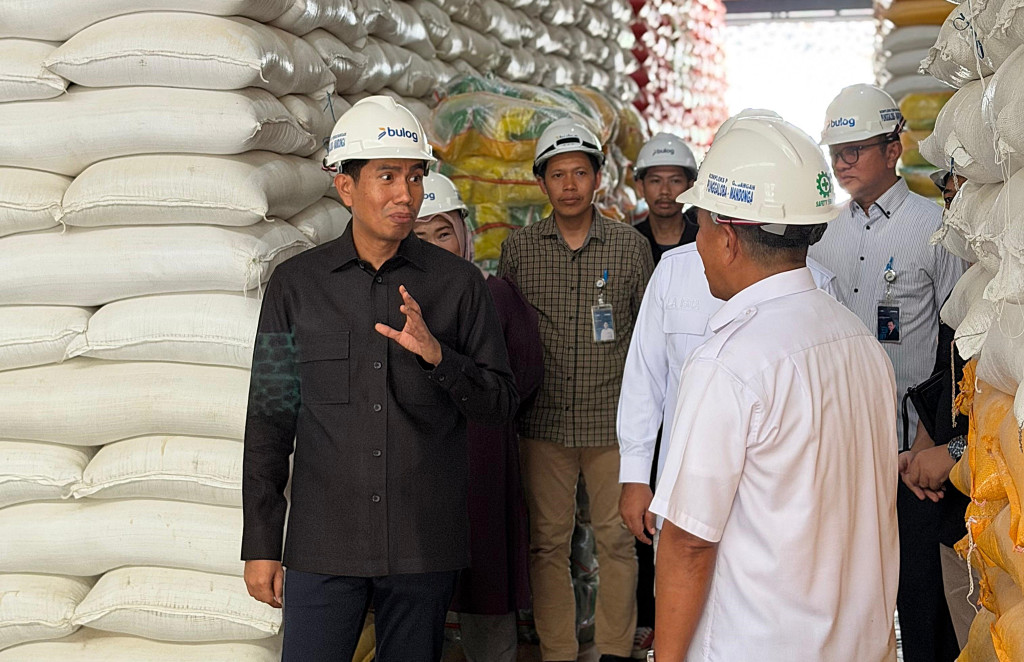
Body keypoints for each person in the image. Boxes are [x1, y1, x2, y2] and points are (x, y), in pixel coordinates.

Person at [241, 96, 518, 662]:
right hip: (324, 544)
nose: (405, 194)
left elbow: (501, 404)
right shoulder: (296, 287)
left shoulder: (458, 285)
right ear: (345, 187)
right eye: (386, 176)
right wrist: (262, 543)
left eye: (414, 176)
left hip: (424, 543)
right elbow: (270, 417)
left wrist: (441, 356)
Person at [649, 114, 899, 661]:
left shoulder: (728, 363)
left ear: (729, 235)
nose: (697, 242)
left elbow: (689, 543)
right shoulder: (859, 342)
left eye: (701, 226)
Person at [619, 112, 841, 658]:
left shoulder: (820, 292)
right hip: (683, 482)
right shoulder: (673, 271)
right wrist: (634, 473)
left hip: (775, 512)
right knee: (686, 598)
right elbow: (644, 375)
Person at [499, 117, 654, 662]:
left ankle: (613, 649)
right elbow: (511, 336)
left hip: (613, 423)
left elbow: (646, 341)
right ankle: (558, 652)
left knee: (617, 541)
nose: (569, 185)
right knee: (548, 545)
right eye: (558, 174)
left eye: (580, 173)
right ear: (542, 183)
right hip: (543, 424)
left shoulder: (630, 248)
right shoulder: (520, 251)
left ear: (599, 179)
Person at [413, 172, 542, 662]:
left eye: (443, 232)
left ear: (465, 235)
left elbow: (524, 375)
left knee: (486, 595)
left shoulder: (498, 297)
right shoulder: (399, 302)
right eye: (419, 236)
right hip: (421, 473)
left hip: (483, 467)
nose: (434, 247)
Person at [811, 83, 967, 450]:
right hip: (835, 440)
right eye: (835, 154)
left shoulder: (934, 228)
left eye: (853, 151)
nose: (840, 164)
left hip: (908, 444)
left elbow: (956, 340)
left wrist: (933, 437)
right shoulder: (821, 232)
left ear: (892, 151)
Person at [894, 168, 974, 656]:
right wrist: (926, 442)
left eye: (968, 193)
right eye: (951, 195)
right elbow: (948, 373)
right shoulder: (972, 287)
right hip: (946, 481)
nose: (957, 209)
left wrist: (955, 450)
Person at [632, 132, 699, 264]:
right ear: (640, 187)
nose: (665, 191)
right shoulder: (628, 241)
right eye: (656, 181)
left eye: (675, 181)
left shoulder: (704, 241)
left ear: (690, 186)